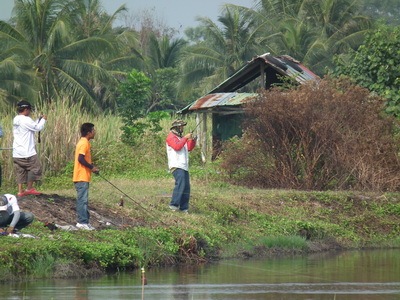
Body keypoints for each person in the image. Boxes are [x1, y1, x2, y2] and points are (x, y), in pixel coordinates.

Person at [12, 100, 47, 197]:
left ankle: (20, 191)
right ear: (26, 109)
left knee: (20, 170)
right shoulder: (26, 120)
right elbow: (38, 128)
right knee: (35, 168)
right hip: (27, 152)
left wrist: (38, 120)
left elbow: (31, 126)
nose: (30, 112)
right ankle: (29, 188)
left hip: (17, 152)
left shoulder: (16, 119)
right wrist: (43, 120)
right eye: (29, 110)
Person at [166, 119, 196, 213]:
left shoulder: (180, 137)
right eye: (182, 126)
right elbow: (177, 146)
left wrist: (192, 140)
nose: (183, 128)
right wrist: (186, 138)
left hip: (184, 166)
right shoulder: (171, 137)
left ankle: (184, 208)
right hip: (176, 165)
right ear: (177, 127)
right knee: (180, 185)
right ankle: (173, 205)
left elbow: (189, 148)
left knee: (186, 187)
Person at [73, 123, 99, 230]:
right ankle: (81, 223)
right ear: (89, 132)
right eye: (93, 130)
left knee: (84, 200)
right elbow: (80, 159)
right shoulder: (84, 143)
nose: (94, 132)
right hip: (81, 176)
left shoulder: (85, 142)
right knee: (82, 200)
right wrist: (91, 167)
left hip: (84, 176)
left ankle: (85, 221)